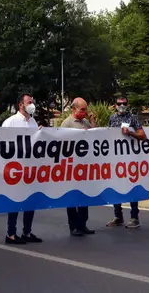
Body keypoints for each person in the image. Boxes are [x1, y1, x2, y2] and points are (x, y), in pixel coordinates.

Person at [0, 94, 43, 245]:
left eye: (32, 101)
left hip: (30, 169)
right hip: (15, 169)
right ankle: (11, 234)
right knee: (15, 201)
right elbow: (2, 144)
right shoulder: (10, 122)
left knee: (30, 201)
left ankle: (27, 231)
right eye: (29, 102)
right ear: (21, 105)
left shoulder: (32, 122)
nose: (32, 104)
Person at [107, 94, 147, 229]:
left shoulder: (133, 118)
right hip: (116, 158)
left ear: (127, 104)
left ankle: (134, 217)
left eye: (124, 103)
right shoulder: (112, 118)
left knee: (132, 187)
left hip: (130, 159)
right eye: (119, 104)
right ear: (115, 105)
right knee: (116, 187)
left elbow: (143, 135)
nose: (121, 106)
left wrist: (130, 133)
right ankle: (118, 216)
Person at [61, 97, 96, 236]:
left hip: (84, 167)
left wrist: (92, 121)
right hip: (71, 167)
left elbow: (95, 136)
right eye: (82, 109)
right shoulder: (67, 124)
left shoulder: (85, 122)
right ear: (74, 109)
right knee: (72, 198)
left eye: (85, 109)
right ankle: (73, 226)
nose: (84, 112)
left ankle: (82, 224)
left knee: (84, 197)